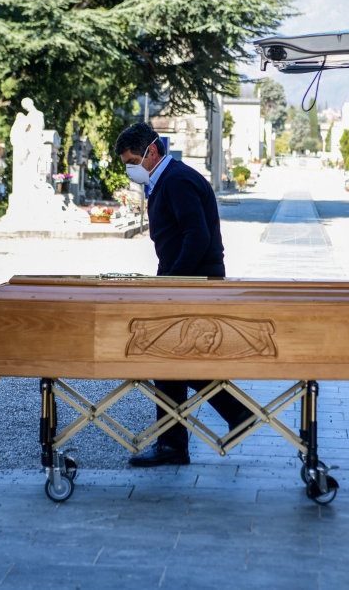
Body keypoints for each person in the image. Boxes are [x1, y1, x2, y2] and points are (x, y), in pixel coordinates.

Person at [115, 122, 251, 467]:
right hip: (184, 281)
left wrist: (173, 283)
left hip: (193, 283)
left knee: (169, 358)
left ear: (153, 152)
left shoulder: (176, 180)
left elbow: (197, 236)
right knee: (170, 361)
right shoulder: (166, 179)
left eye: (132, 160)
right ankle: (187, 437)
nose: (130, 169)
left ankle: (217, 421)